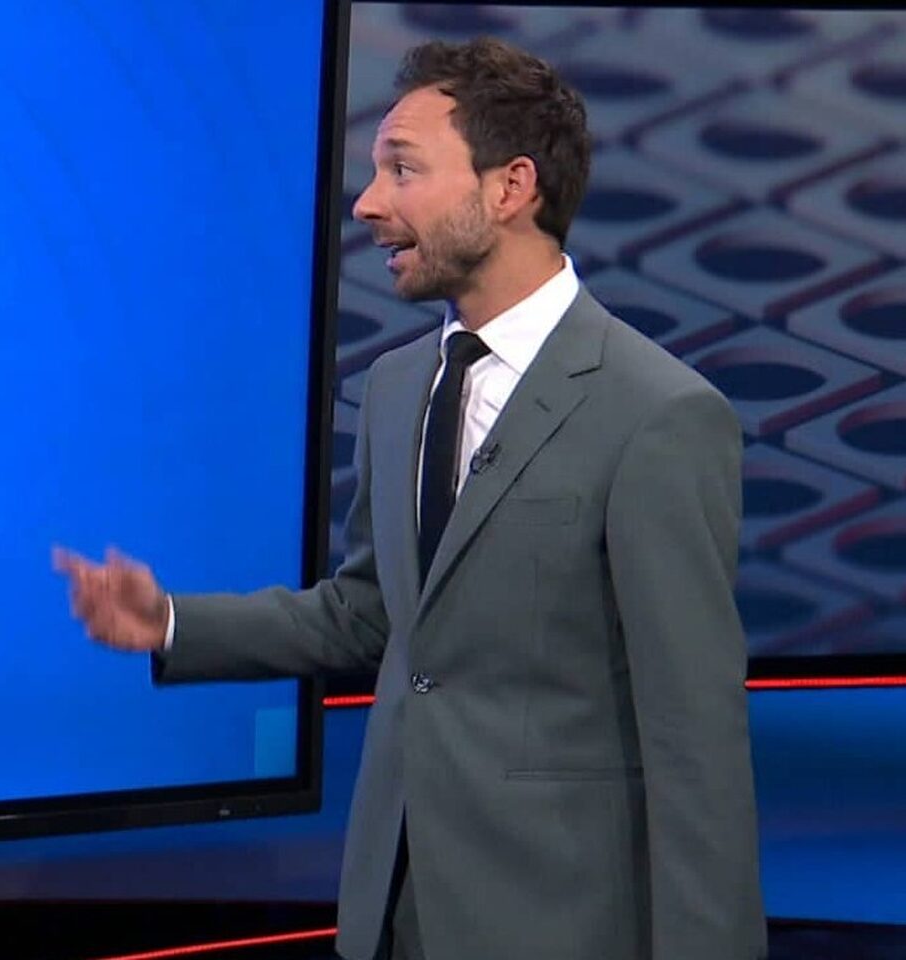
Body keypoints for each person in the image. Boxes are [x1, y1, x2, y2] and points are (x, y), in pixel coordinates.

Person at [53, 36, 766, 960]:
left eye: (403, 169)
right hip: (393, 909)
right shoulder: (397, 388)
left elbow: (695, 737)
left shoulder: (657, 413)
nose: (368, 203)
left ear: (510, 188)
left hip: (559, 922)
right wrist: (172, 624)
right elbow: (373, 615)